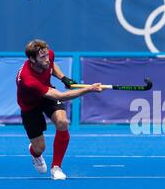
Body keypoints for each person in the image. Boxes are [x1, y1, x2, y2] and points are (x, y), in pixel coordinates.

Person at [16, 39, 103, 180]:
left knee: (63, 122)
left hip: (46, 95)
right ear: (32, 59)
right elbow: (61, 96)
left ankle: (56, 167)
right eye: (42, 57)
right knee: (39, 148)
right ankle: (34, 153)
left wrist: (64, 78)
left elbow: (51, 65)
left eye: (46, 55)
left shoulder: (47, 54)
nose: (47, 59)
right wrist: (89, 89)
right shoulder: (28, 79)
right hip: (30, 105)